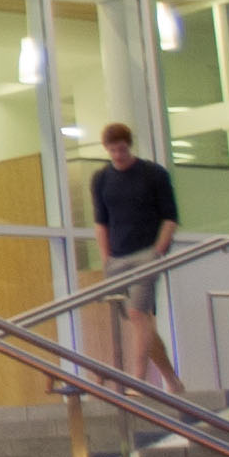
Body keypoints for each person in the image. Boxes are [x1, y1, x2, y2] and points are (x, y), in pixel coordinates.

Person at [88, 122, 181, 389]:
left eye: (122, 149)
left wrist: (158, 250)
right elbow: (101, 222)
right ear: (107, 150)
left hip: (145, 253)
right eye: (113, 151)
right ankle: (172, 380)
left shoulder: (152, 174)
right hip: (117, 257)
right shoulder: (102, 178)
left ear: (129, 146)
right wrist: (106, 257)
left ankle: (138, 378)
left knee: (138, 314)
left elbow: (170, 217)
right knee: (140, 323)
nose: (118, 155)